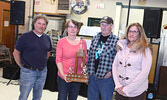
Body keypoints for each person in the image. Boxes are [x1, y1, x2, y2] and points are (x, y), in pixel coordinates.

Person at [13, 15, 52, 100]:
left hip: (42, 72)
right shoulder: (24, 37)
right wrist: (22, 66)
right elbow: (16, 53)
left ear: (45, 26)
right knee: (24, 96)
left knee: (37, 96)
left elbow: (48, 53)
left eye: (43, 24)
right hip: (28, 72)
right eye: (39, 23)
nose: (41, 26)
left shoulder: (47, 38)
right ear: (34, 24)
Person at [112, 23, 152, 100]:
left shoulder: (145, 49)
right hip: (120, 90)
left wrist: (127, 89)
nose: (131, 34)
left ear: (140, 34)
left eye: (135, 32)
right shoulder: (122, 46)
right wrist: (118, 85)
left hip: (136, 92)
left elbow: (144, 73)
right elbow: (115, 66)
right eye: (130, 31)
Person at [86, 16, 118, 100]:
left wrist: (111, 71)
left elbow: (118, 60)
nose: (104, 27)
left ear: (112, 26)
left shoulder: (116, 41)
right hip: (93, 76)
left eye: (106, 25)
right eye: (102, 25)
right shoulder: (95, 38)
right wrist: (88, 72)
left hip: (106, 78)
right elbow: (89, 56)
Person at [56, 19, 87, 100]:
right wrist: (63, 74)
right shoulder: (61, 42)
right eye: (70, 27)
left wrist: (84, 65)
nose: (72, 29)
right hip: (64, 75)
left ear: (77, 29)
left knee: (73, 98)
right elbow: (58, 60)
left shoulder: (82, 42)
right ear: (66, 29)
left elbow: (85, 57)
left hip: (77, 76)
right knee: (62, 97)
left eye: (75, 27)